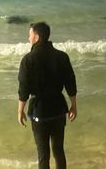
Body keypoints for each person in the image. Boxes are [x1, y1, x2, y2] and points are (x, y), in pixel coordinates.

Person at [17, 22, 77, 169]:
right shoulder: (62, 57)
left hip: (39, 111)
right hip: (58, 109)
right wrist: (73, 105)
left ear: (37, 37)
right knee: (58, 150)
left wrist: (20, 110)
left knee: (43, 154)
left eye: (30, 35)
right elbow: (70, 83)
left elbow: (24, 88)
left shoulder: (28, 60)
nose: (28, 38)